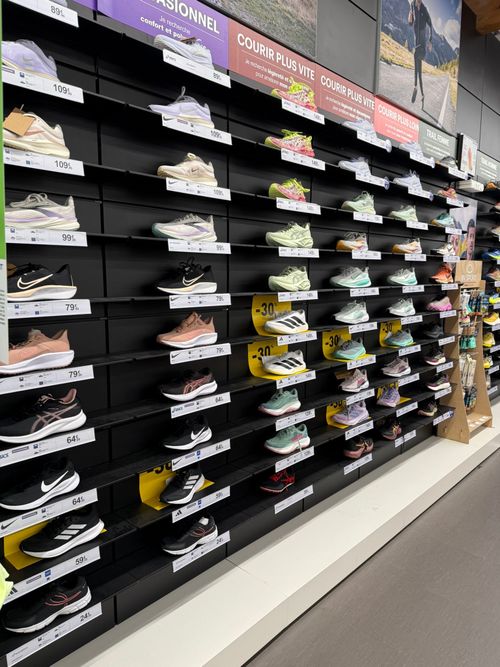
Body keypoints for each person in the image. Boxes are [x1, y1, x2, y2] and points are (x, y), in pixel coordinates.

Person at [408, 0, 433, 107]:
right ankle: (422, 95)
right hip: (416, 43)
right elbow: (410, 23)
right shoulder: (412, 5)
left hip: (422, 46)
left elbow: (430, 25)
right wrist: (410, 17)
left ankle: (415, 86)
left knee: (415, 56)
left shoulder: (424, 10)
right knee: (419, 73)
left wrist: (430, 40)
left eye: (420, 1)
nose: (419, 3)